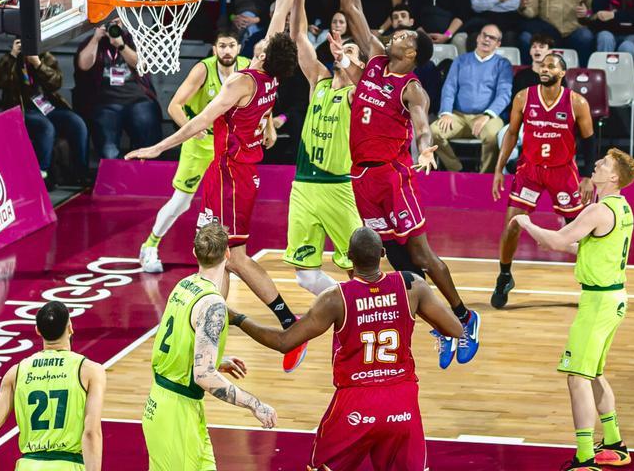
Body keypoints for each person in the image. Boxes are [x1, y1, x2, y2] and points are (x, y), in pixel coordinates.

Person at [129, 0, 320, 371]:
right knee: (212, 253)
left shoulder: (241, 83)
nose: (261, 38)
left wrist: (158, 146)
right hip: (233, 172)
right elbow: (281, 16)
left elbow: (197, 121)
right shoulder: (269, 75)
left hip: (233, 176)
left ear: (264, 55)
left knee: (232, 256)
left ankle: (290, 326)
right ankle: (212, 324)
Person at [326, 0, 481, 368]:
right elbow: (352, 6)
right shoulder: (373, 61)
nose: (397, 34)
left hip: (393, 176)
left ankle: (464, 317)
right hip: (361, 177)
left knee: (421, 254)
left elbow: (423, 125)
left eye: (406, 36)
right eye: (398, 33)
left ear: (413, 53)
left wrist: (427, 149)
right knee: (395, 259)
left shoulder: (412, 87)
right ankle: (441, 324)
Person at [230, 226, 463, 471]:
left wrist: (237, 319)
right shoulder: (411, 286)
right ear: (383, 253)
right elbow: (456, 330)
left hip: (356, 401)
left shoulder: (335, 298)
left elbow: (284, 342)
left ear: (348, 256)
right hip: (402, 400)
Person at [510, 149, 634, 470]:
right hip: (615, 299)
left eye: (604, 164)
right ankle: (614, 444)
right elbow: (579, 244)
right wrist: (556, 237)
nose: (596, 164)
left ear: (613, 178)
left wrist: (526, 222)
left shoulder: (597, 209)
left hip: (597, 303)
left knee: (576, 377)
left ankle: (584, 457)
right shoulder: (622, 207)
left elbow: (554, 242)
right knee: (593, 372)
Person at [142, 223, 277, 470]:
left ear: (195, 254)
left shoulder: (184, 285)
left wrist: (214, 359)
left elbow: (176, 341)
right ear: (227, 254)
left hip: (174, 405)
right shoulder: (213, 303)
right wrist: (255, 405)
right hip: (175, 413)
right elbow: (204, 376)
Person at [279, 0, 366, 294]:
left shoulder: (358, 93)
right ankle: (345, 308)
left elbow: (362, 77)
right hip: (302, 185)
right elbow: (298, 36)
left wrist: (345, 58)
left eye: (351, 51)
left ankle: (366, 308)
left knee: (360, 267)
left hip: (337, 188)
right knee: (305, 276)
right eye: (342, 48)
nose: (342, 52)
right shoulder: (320, 81)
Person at [136, 32, 248, 273]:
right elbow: (174, 105)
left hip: (229, 145)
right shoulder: (203, 70)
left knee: (229, 202)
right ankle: (150, 246)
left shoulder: (247, 68)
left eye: (231, 45)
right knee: (181, 202)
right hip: (200, 143)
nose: (227, 51)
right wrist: (191, 128)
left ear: (238, 48)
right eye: (222, 46)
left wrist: (269, 125)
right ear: (214, 48)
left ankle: (229, 256)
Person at [492, 53, 596, 307]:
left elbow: (590, 141)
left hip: (563, 171)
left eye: (552, 65)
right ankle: (505, 276)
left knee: (580, 230)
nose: (544, 68)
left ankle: (591, 281)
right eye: (543, 64)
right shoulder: (524, 97)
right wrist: (498, 168)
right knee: (512, 225)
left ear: (562, 73)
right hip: (531, 170)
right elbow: (512, 134)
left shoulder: (576, 102)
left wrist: (588, 177)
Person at [0, 302, 106, 471]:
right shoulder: (90, 371)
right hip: (69, 465)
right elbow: (91, 434)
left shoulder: (16, 373)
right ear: (70, 327)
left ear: (37, 330)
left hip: (28, 466)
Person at [0, 38, 90, 185]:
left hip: (47, 107)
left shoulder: (45, 57)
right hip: (22, 109)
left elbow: (56, 82)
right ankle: (42, 173)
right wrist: (12, 55)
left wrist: (38, 64)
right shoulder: (10, 59)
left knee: (77, 123)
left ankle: (80, 172)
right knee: (45, 127)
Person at [74, 24, 162, 160]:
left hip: (137, 100)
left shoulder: (132, 39)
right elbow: (83, 65)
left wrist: (121, 45)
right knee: (108, 149)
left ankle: (142, 174)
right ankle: (114, 177)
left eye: (115, 22)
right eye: (108, 23)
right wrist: (96, 39)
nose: (112, 26)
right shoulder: (91, 41)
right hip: (105, 103)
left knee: (147, 127)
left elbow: (142, 65)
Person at [433, 27, 513, 173]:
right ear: (478, 38)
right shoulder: (461, 60)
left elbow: (504, 94)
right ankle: (457, 170)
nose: (487, 39)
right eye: (484, 35)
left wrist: (487, 115)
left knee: (492, 136)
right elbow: (449, 88)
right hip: (458, 116)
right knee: (433, 132)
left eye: (492, 38)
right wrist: (446, 112)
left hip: (487, 117)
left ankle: (485, 176)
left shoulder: (503, 64)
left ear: (498, 44)